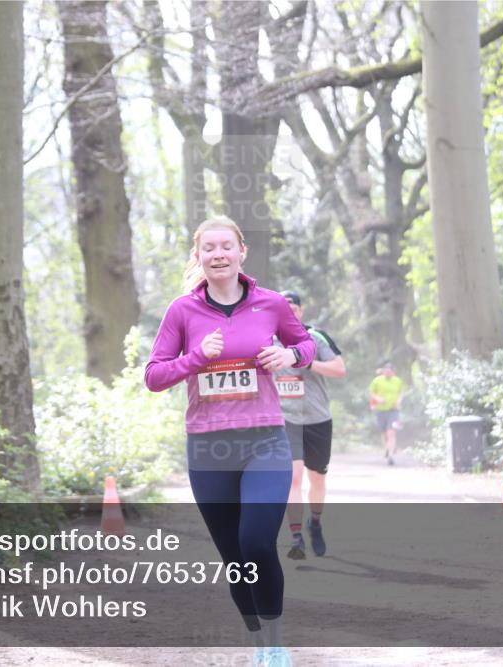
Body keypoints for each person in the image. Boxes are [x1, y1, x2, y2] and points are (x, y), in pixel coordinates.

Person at [145, 216, 315, 667]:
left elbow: (306, 345)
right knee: (235, 555)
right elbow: (154, 376)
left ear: (242, 252)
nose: (218, 255)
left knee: (257, 542)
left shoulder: (271, 304)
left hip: (264, 441)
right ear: (198, 257)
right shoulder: (183, 311)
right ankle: (257, 640)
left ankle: (277, 644)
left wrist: (290, 354)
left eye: (226, 246)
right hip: (208, 447)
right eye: (208, 248)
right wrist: (196, 358)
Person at [274, 291, 345, 560]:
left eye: (293, 307)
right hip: (285, 419)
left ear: (301, 311)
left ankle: (314, 522)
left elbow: (339, 369)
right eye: (284, 306)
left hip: (317, 419)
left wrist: (304, 359)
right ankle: (295, 538)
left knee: (317, 478)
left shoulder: (316, 337)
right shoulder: (268, 339)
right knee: (293, 478)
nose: (289, 310)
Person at [368, 363, 404, 465]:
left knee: (391, 432)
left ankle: (391, 455)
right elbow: (372, 393)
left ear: (393, 372)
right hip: (380, 410)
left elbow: (400, 393)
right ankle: (387, 449)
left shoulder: (397, 381)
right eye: (386, 371)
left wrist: (398, 401)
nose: (388, 373)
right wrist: (378, 399)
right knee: (384, 433)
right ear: (383, 371)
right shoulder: (377, 380)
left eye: (390, 371)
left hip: (394, 410)